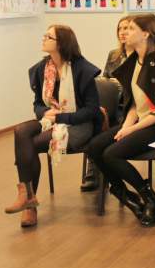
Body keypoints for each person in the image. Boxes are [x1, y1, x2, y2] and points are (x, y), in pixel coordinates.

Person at [86, 14, 155, 227]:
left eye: (131, 29)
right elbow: (135, 104)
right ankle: (127, 196)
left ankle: (149, 198)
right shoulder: (133, 62)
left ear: (146, 34)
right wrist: (126, 127)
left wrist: (131, 130)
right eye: (124, 28)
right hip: (140, 121)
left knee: (111, 154)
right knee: (95, 147)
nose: (125, 32)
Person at [6, 25, 102, 228]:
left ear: (62, 43)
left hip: (78, 125)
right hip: (51, 121)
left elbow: (92, 110)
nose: (43, 39)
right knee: (21, 131)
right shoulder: (42, 69)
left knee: (29, 145)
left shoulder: (82, 69)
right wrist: (44, 113)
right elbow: (37, 104)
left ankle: (29, 203)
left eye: (48, 37)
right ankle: (28, 198)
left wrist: (61, 117)